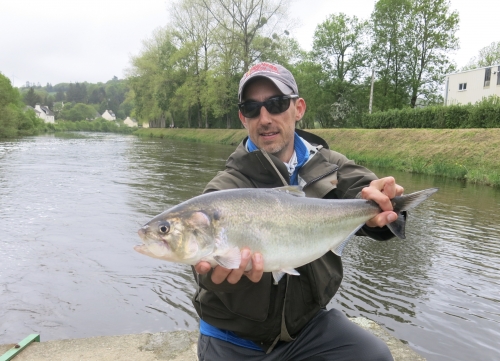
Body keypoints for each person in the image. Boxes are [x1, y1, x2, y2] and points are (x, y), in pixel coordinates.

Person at [192, 62, 404, 361]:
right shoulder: (227, 188)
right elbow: (198, 263)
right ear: (243, 117)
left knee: (374, 356)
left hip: (307, 330)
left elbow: (367, 192)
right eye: (252, 108)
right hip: (233, 340)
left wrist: (383, 208)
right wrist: (213, 271)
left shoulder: (331, 166)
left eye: (276, 104)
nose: (264, 118)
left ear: (298, 108)